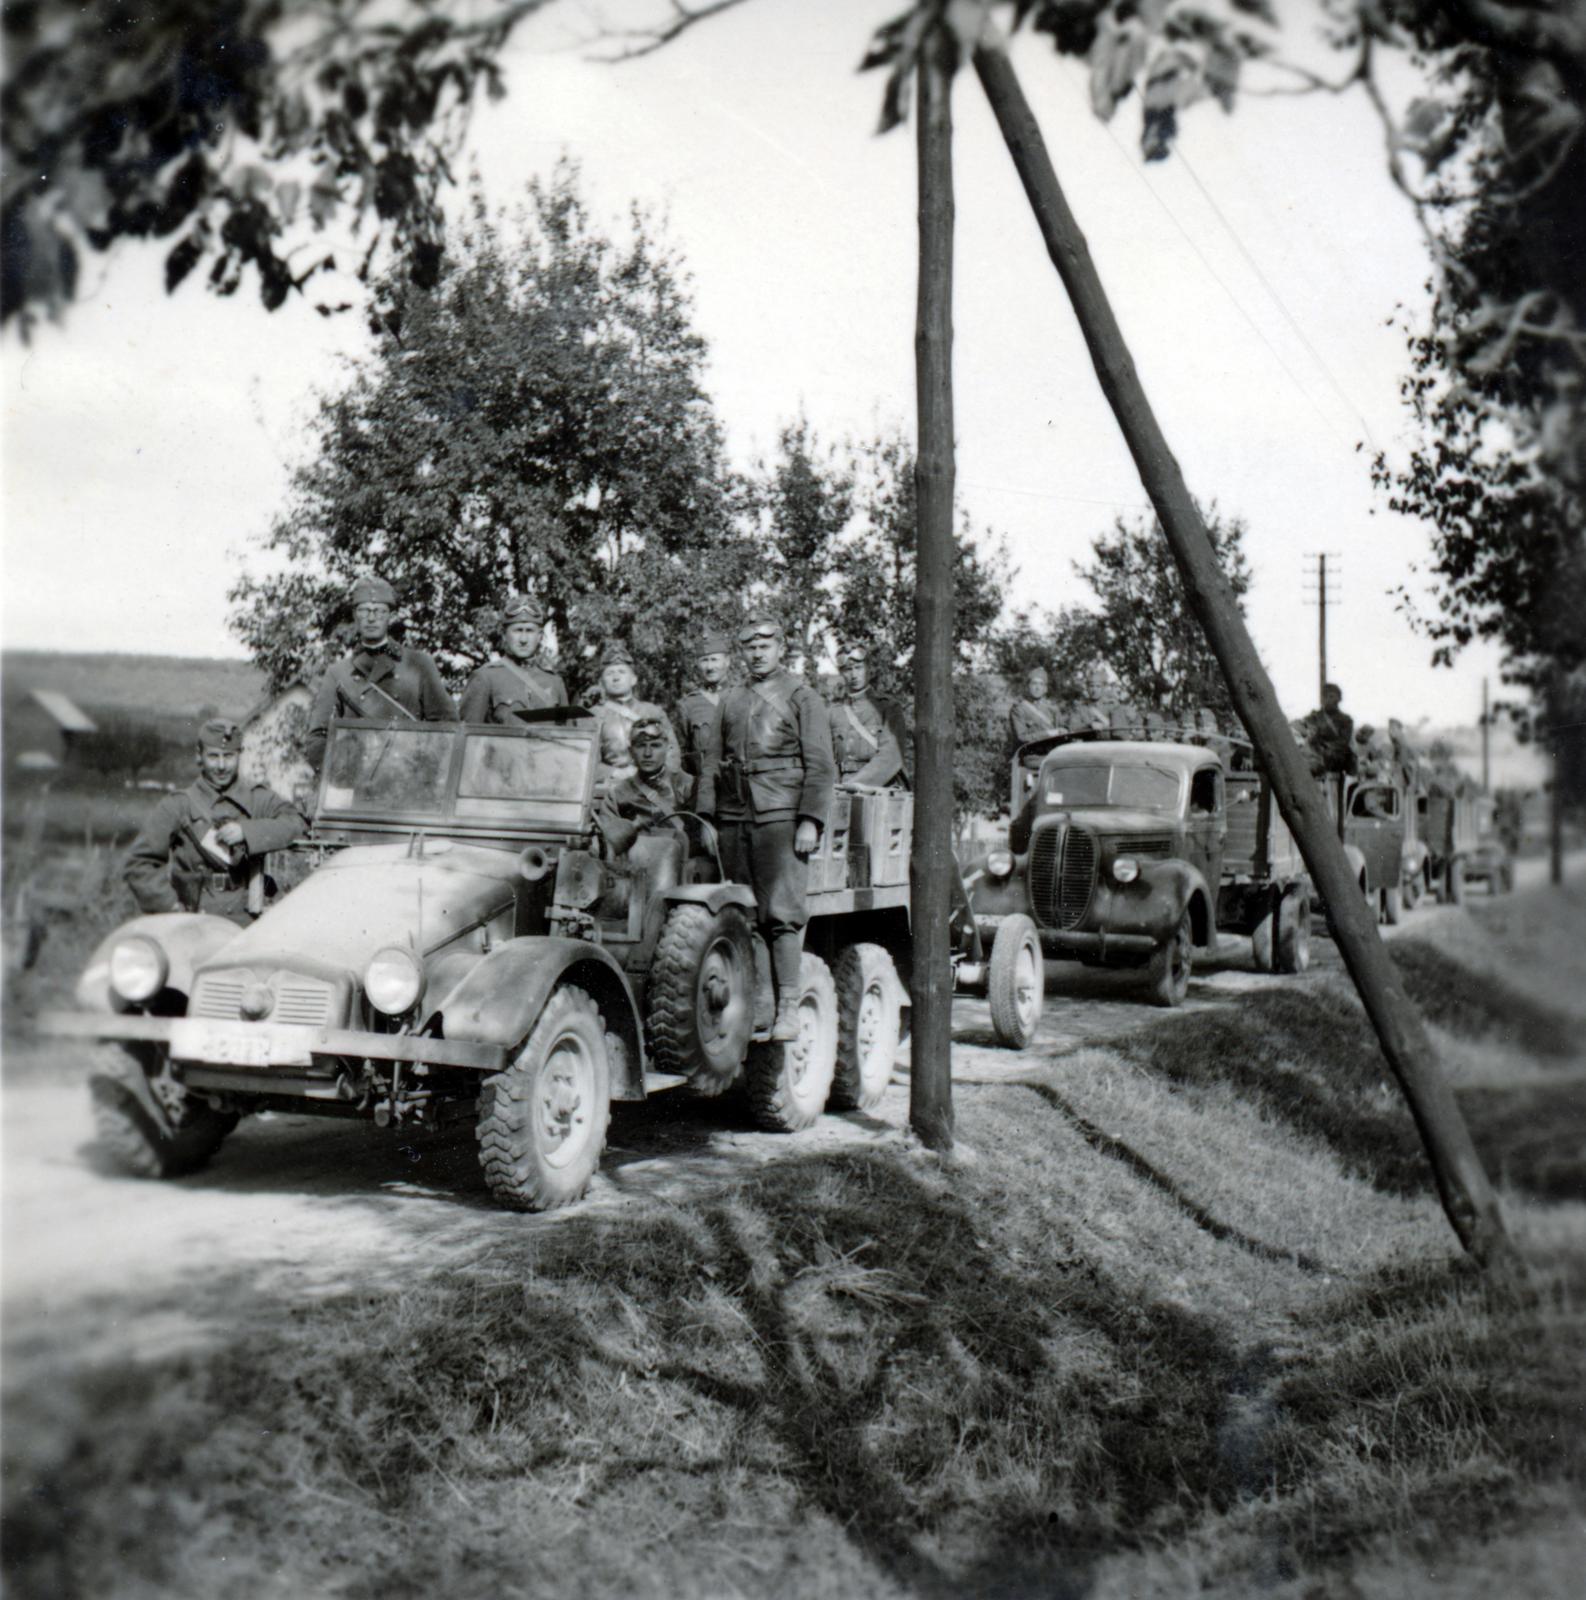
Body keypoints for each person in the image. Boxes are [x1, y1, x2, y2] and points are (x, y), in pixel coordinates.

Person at [696, 613, 836, 1041]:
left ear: (780, 647)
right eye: (750, 648)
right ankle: (761, 1005)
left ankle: (789, 1008)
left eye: (765, 646)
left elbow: (821, 764)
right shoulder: (731, 701)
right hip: (736, 815)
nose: (758, 654)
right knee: (746, 913)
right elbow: (712, 764)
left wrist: (810, 820)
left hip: (781, 815)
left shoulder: (802, 697)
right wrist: (706, 816)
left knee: (783, 915)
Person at [125, 719, 306, 926]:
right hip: (194, 919)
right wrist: (171, 908)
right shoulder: (178, 805)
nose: (221, 766)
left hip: (247, 922)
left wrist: (247, 832)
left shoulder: (258, 799)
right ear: (199, 756)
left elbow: (297, 822)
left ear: (239, 754)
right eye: (213, 756)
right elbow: (139, 864)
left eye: (228, 756)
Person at [304, 574, 455, 769]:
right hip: (356, 782)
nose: (372, 618)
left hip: (409, 781)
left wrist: (423, 766)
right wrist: (343, 770)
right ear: (355, 616)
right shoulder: (338, 673)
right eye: (364, 611)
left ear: (390, 616)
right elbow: (317, 739)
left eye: (380, 611)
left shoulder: (419, 665)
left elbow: (447, 727)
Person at [595, 716, 696, 856]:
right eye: (641, 746)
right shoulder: (617, 795)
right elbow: (606, 845)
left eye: (655, 745)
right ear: (631, 751)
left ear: (668, 748)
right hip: (634, 868)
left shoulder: (687, 785)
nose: (647, 753)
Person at [459, 593, 567, 723]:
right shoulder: (485, 678)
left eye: (529, 631)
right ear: (504, 635)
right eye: (517, 630)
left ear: (539, 636)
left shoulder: (554, 683)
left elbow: (569, 738)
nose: (523, 639)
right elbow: (468, 736)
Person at [593, 641, 681, 779]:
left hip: (652, 786)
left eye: (622, 672)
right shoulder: (594, 716)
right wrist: (615, 773)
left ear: (633, 679)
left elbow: (672, 754)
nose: (616, 678)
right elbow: (584, 762)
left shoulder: (653, 712)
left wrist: (657, 775)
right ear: (602, 682)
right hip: (611, 790)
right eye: (610, 673)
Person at [828, 640, 906, 790]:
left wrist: (854, 785)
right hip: (841, 791)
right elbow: (828, 759)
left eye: (858, 668)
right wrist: (836, 787)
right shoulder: (833, 713)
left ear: (868, 669)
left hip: (878, 789)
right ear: (841, 673)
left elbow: (891, 756)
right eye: (848, 670)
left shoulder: (888, 708)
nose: (854, 674)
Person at [676, 628, 732, 780]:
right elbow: (680, 755)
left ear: (727, 661)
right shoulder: (688, 705)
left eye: (714, 659)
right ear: (697, 664)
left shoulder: (742, 696)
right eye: (704, 660)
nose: (709, 667)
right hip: (703, 785)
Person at [1304, 681, 1357, 777]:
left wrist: (1323, 747)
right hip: (1314, 758)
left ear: (1339, 699)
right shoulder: (1313, 717)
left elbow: (1343, 742)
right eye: (1327, 696)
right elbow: (1306, 736)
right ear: (1322, 698)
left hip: (1336, 761)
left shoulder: (1346, 720)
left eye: (1333, 696)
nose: (1330, 700)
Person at [1007, 666, 1060, 760]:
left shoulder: (1052, 709)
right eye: (1034, 683)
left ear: (1045, 689)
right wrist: (1048, 733)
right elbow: (1021, 738)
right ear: (1028, 687)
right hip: (1030, 756)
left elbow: (1060, 731)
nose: (1037, 688)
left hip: (1052, 756)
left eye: (1041, 684)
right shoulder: (1018, 709)